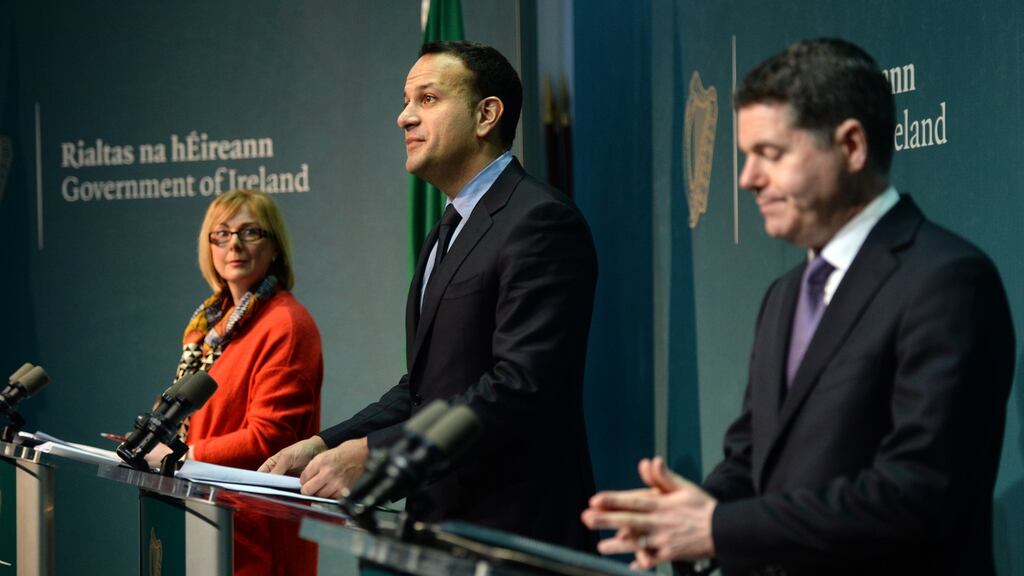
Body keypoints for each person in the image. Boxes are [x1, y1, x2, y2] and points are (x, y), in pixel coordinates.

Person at [581, 38, 1015, 575]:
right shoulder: (784, 295)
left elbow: (917, 492)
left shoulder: (946, 281)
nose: (747, 178)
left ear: (851, 146)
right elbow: (751, 458)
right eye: (746, 156)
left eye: (770, 154)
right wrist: (683, 518)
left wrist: (719, 528)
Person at [259, 41, 598, 550]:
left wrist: (375, 453)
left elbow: (521, 388)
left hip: (514, 535)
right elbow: (422, 390)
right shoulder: (446, 230)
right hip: (442, 530)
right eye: (405, 101)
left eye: (428, 99)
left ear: (486, 115)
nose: (404, 117)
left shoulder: (539, 221)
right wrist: (324, 443)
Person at [149, 189, 323, 576]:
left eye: (250, 232)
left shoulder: (285, 323)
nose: (234, 245)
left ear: (275, 246)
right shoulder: (210, 326)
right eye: (222, 234)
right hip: (207, 515)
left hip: (256, 533)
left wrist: (182, 456)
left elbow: (269, 440)